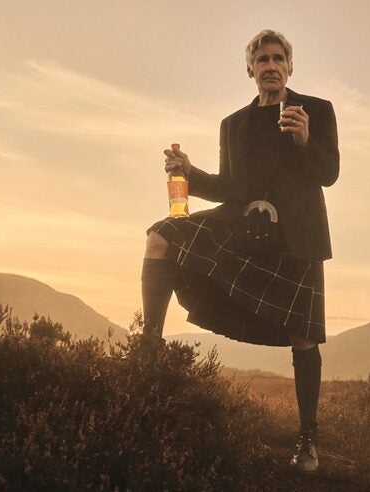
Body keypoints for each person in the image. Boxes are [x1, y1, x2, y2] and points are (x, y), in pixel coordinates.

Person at [141, 29, 339, 473]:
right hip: (242, 226)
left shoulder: (317, 112)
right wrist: (188, 172)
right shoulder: (233, 124)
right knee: (160, 238)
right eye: (262, 60)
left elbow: (329, 174)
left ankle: (307, 438)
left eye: (278, 59)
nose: (270, 66)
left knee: (303, 336)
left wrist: (306, 140)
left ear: (290, 67)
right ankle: (147, 352)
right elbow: (229, 188)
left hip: (296, 235)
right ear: (250, 69)